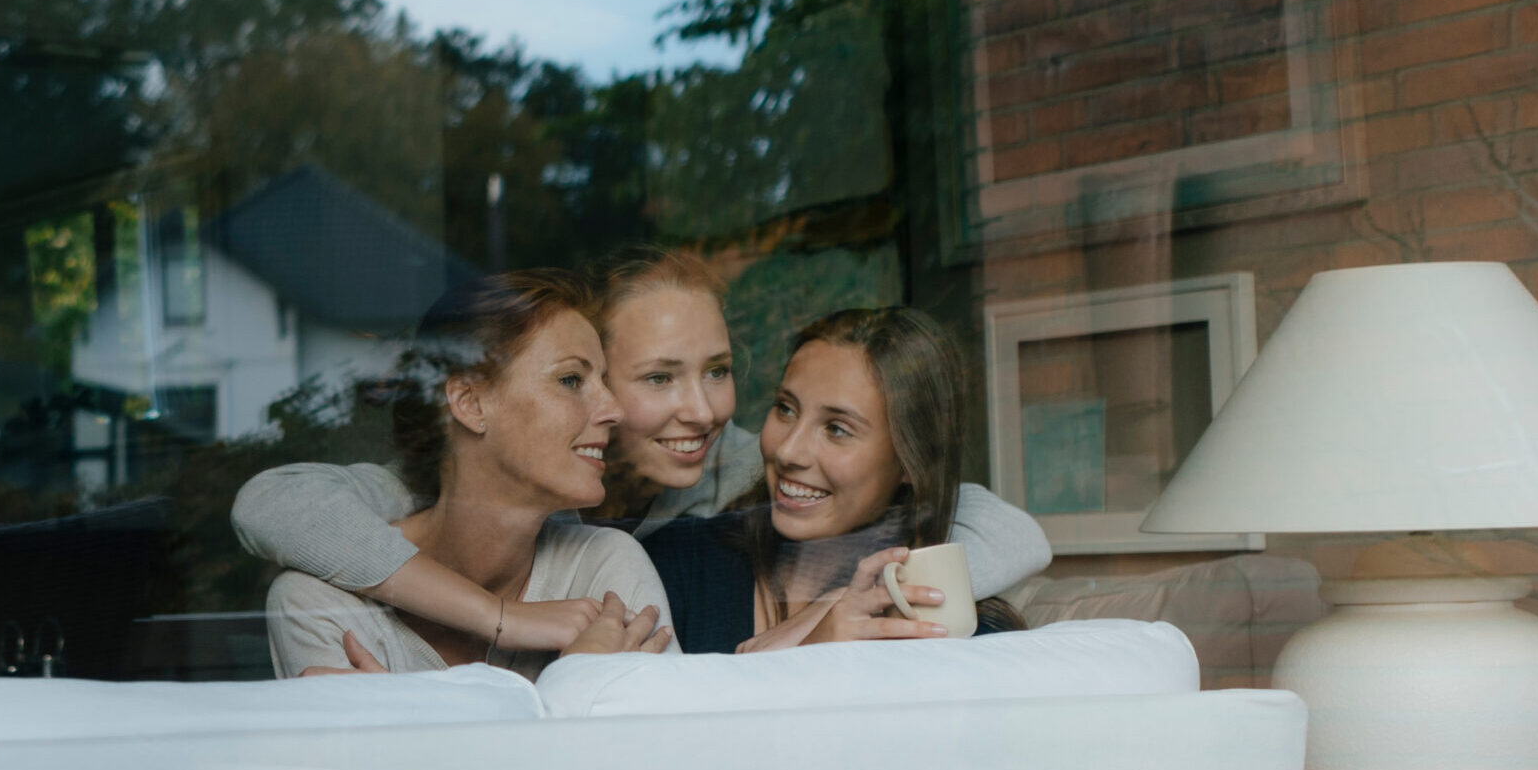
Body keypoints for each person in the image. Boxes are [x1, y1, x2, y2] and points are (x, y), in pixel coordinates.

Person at [232, 248, 1052, 651]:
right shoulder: (429, 485)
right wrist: (505, 619)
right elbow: (275, 507)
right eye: (656, 378)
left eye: (722, 373)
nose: (700, 410)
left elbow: (991, 521)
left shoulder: (732, 470)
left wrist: (891, 606)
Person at [265, 269, 678, 679]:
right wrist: (577, 682)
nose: (613, 410)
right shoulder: (320, 605)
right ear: (470, 403)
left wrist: (405, 719)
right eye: (571, 379)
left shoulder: (604, 568)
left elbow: (657, 744)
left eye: (602, 382)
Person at [643, 307, 1033, 655]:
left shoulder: (948, 628)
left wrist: (819, 637)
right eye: (785, 408)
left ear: (910, 463)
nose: (789, 451)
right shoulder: (676, 564)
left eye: (837, 429)